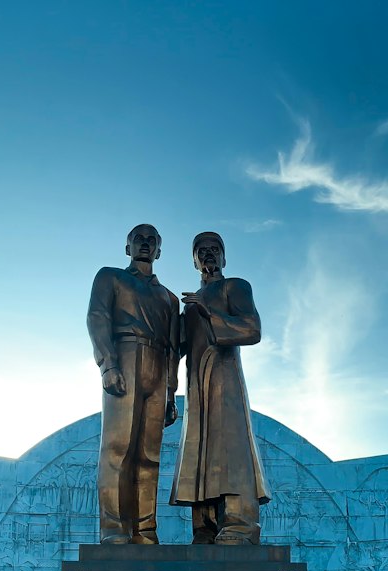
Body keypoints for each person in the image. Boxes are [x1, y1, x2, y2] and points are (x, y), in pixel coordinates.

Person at [170, 231, 270, 545]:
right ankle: (205, 527)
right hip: (197, 385)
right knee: (200, 449)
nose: (208, 254)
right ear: (194, 260)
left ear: (224, 257)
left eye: (215, 249)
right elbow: (176, 347)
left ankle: (240, 525)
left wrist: (208, 311)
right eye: (201, 250)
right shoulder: (190, 304)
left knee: (231, 447)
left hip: (225, 381)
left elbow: (251, 329)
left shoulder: (235, 286)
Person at [87, 224, 180, 544]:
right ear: (127, 248)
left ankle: (144, 530)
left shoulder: (169, 297)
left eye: (152, 240)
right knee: (118, 448)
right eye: (138, 239)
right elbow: (98, 318)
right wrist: (108, 364)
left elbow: (173, 347)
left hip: (157, 365)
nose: (145, 244)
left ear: (159, 251)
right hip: (125, 356)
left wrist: (171, 393)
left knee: (148, 455)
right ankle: (114, 529)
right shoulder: (111, 277)